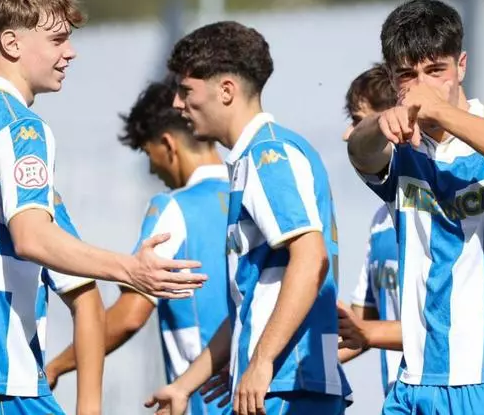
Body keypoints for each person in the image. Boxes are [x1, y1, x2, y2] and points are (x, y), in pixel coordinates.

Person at [0, 0, 205, 414]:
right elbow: (32, 237)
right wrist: (129, 269)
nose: (69, 53)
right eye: (56, 40)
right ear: (11, 44)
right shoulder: (20, 126)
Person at [346, 0, 484, 414]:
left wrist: (441, 110)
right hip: (415, 380)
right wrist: (378, 122)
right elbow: (359, 152)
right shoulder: (400, 149)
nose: (421, 87)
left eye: (435, 70)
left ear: (461, 66)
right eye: (407, 76)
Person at [146, 21, 350, 415]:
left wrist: (262, 361)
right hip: (278, 384)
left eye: (186, 90)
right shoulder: (254, 158)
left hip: (287, 387)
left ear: (226, 91)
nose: (176, 104)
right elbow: (251, 302)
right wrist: (186, 385)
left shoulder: (267, 156)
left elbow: (311, 258)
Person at [46, 78, 232, 415]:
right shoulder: (248, 190)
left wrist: (57, 365)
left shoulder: (174, 207)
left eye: (148, 154)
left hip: (205, 401)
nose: (152, 168)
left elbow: (130, 316)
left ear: (167, 144)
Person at [337, 64, 403, 396]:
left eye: (357, 121)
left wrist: (368, 332)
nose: (347, 135)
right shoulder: (380, 219)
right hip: (398, 399)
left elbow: (454, 329)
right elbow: (362, 326)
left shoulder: (444, 208)